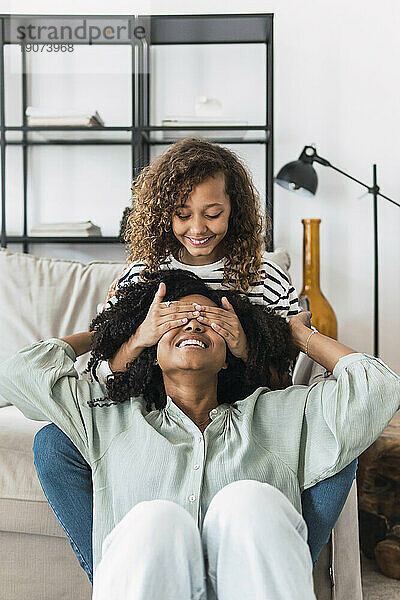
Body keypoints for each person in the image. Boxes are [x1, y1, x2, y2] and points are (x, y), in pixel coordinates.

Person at [32, 138, 356, 583]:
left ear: (234, 209)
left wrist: (244, 348)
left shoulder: (265, 277)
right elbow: (109, 377)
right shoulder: (142, 275)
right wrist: (139, 336)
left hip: (242, 418)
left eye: (212, 213)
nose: (197, 228)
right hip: (158, 415)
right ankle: (116, 577)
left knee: (342, 441)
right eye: (182, 214)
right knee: (53, 442)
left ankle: (280, 571)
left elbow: (282, 385)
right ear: (163, 212)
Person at [0, 270, 398, 600]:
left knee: (249, 502)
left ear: (229, 356)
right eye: (175, 320)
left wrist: (296, 335)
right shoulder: (109, 417)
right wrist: (121, 334)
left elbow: (378, 389)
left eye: (209, 320)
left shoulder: (278, 414)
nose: (192, 323)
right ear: (153, 352)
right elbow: (20, 372)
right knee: (156, 521)